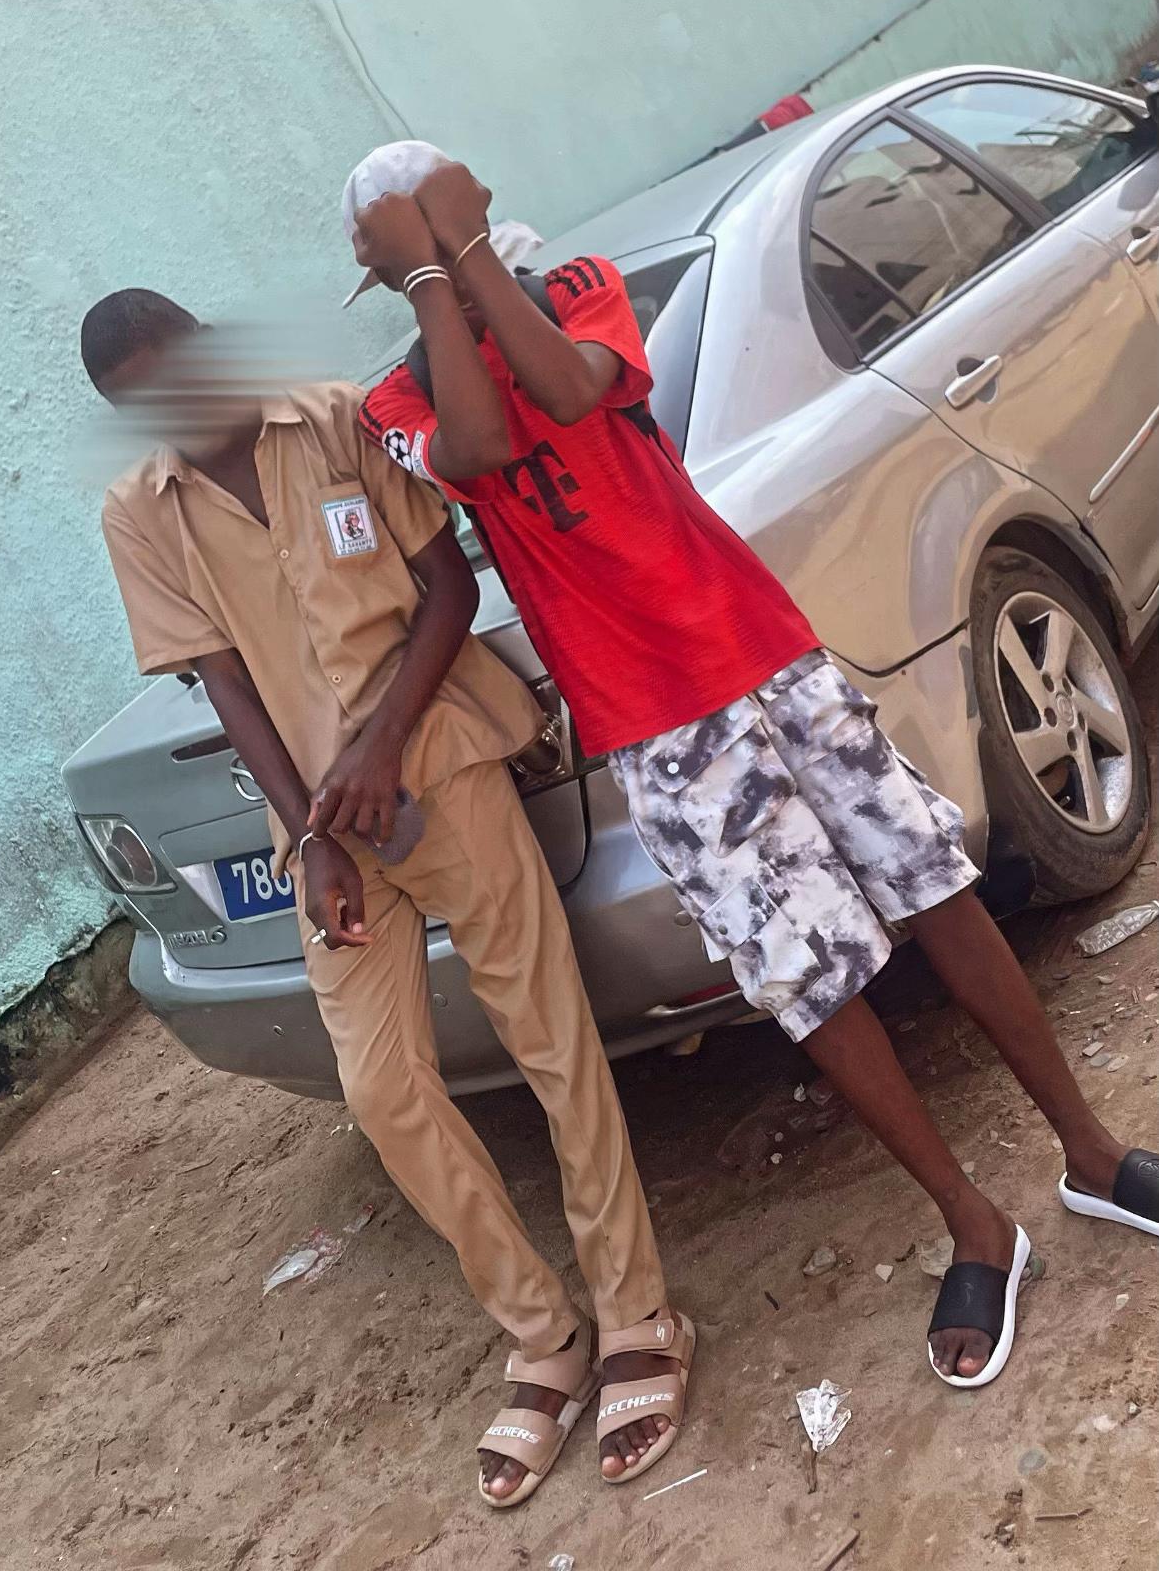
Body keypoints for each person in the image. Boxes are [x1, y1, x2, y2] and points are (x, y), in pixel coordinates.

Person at [350, 144, 1159, 1397]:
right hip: (655, 728)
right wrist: (429, 280)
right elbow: (478, 439)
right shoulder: (397, 399)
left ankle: (1092, 1154)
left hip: (766, 657)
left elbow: (568, 390)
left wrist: (463, 256)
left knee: (937, 888)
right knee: (811, 982)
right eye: (411, 260)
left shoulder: (576, 291)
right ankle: (973, 1226)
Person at [81, 287, 696, 1509]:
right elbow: (227, 683)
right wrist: (315, 833)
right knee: (381, 1089)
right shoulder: (140, 513)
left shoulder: (335, 422)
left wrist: (380, 748)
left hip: (445, 769)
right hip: (325, 832)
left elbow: (448, 589)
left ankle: (637, 1317)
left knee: (552, 1045)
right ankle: (544, 1334)